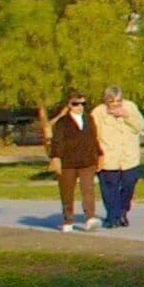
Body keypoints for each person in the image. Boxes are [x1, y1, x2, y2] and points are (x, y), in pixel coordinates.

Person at [90, 86, 144, 229]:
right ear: (106, 101)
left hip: (129, 157)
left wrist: (127, 115)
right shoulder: (98, 113)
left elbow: (140, 126)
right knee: (110, 188)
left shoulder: (130, 107)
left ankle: (122, 211)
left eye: (118, 101)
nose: (115, 104)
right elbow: (93, 135)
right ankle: (113, 217)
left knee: (129, 183)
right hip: (108, 157)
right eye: (112, 101)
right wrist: (96, 156)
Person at [46, 92, 99, 231]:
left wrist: (98, 155)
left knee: (88, 190)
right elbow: (56, 142)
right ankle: (68, 220)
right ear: (69, 105)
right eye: (76, 104)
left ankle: (90, 218)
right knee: (67, 193)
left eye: (83, 104)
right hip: (67, 163)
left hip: (87, 161)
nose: (80, 107)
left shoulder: (89, 119)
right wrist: (55, 157)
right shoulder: (62, 122)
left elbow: (94, 138)